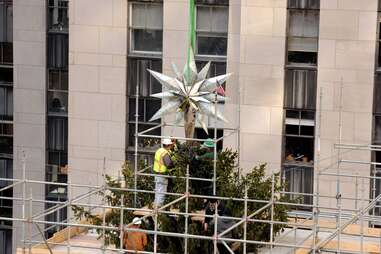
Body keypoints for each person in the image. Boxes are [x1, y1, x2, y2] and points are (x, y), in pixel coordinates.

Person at [153, 138, 175, 207]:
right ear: (168, 145)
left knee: (157, 192)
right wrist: (174, 164)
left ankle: (155, 206)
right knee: (161, 193)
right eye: (170, 145)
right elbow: (168, 164)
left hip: (157, 174)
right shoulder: (165, 153)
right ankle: (158, 209)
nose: (171, 146)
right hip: (162, 175)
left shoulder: (159, 150)